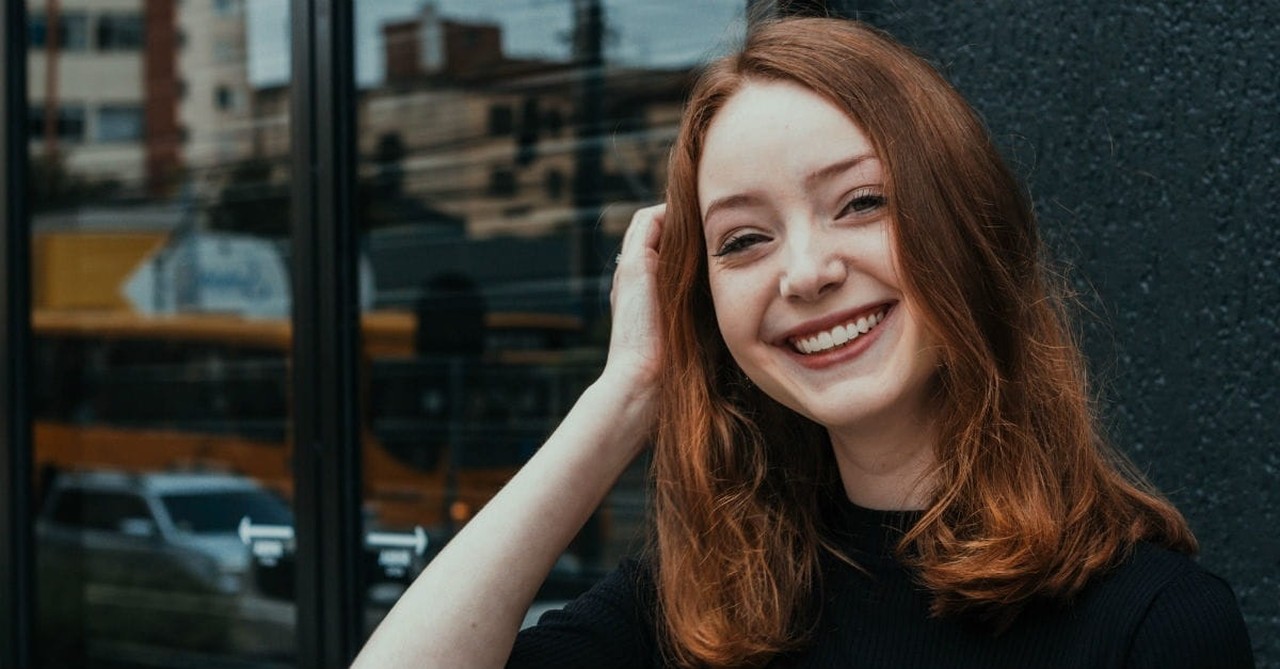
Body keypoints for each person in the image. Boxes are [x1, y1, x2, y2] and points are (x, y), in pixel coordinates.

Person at [352, 16, 1254, 669]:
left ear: (966, 227)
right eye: (744, 239)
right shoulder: (704, 609)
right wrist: (628, 390)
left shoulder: (1154, 625)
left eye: (861, 202)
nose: (806, 272)